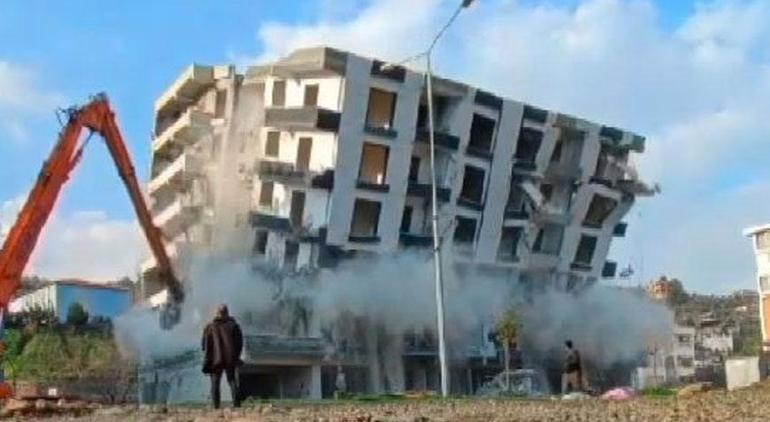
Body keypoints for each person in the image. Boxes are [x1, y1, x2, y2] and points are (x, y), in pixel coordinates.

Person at [202, 304, 244, 408]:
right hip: (230, 359)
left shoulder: (210, 326)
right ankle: (237, 406)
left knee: (215, 383)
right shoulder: (234, 326)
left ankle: (216, 407)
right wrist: (236, 356)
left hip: (216, 359)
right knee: (232, 381)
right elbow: (240, 343)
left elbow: (204, 344)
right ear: (227, 313)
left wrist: (208, 356)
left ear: (217, 313)